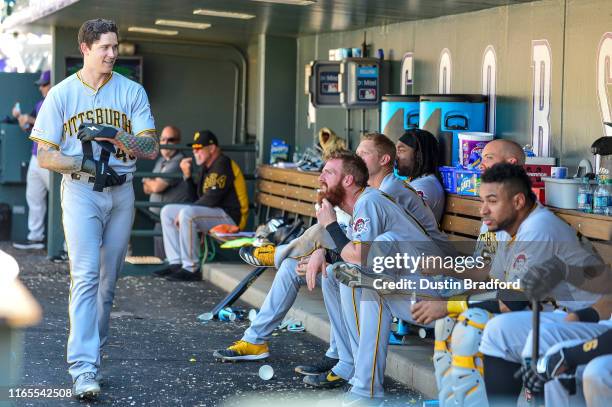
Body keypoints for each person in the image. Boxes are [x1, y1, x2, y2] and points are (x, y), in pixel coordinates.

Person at [32, 19, 157, 399]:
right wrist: (82, 163)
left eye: (115, 46)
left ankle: (93, 351)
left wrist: (116, 135)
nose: (112, 53)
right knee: (85, 277)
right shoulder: (62, 94)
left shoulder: (131, 91)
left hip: (121, 192)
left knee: (107, 284)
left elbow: (150, 148)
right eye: (105, 47)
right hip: (82, 192)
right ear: (85, 48)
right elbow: (45, 155)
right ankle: (84, 368)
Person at [159, 130, 249, 281]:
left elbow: (212, 199)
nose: (195, 152)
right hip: (214, 213)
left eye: (199, 148)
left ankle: (191, 268)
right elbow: (196, 198)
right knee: (167, 211)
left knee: (187, 213)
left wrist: (184, 214)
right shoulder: (205, 168)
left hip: (231, 218)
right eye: (194, 149)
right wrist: (187, 176)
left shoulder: (223, 163)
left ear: (212, 148)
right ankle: (176, 262)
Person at [11, 70, 52, 250]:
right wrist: (22, 120)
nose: (41, 88)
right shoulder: (39, 103)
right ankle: (35, 237)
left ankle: (67, 244)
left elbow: (50, 126)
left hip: (53, 157)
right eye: (41, 85)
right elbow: (32, 129)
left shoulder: (59, 101)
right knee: (34, 197)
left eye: (44, 84)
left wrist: (31, 120)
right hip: (36, 155)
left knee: (62, 201)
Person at [142, 125, 193, 258]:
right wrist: (151, 184)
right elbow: (146, 189)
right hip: (158, 219)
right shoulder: (161, 160)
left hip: (174, 220)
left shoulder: (179, 161)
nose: (165, 143)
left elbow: (156, 187)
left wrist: (150, 182)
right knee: (160, 259)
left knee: (170, 259)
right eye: (163, 139)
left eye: (170, 140)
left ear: (178, 142)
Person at [395, 129, 445, 222]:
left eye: (401, 150)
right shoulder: (419, 181)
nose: (395, 156)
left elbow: (402, 222)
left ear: (419, 155)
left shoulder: (425, 185)